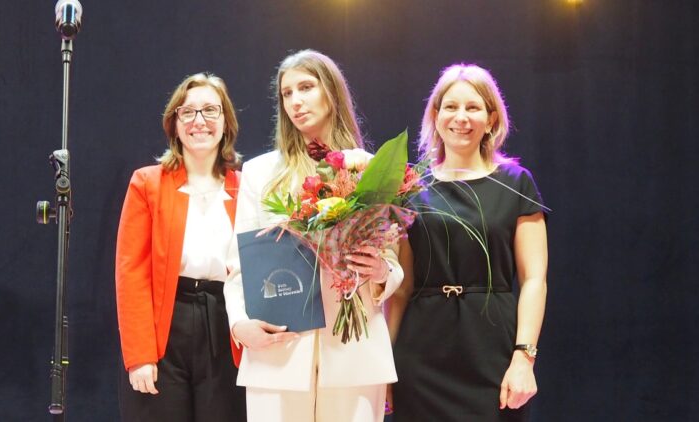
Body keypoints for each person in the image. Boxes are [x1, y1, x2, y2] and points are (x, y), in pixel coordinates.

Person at [223, 49, 403, 422]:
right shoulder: (260, 173)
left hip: (354, 352)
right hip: (279, 348)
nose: (295, 101)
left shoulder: (368, 168)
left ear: (331, 92)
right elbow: (240, 263)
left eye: (306, 87)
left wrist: (381, 273)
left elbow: (391, 261)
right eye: (286, 93)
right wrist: (239, 323)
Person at [387, 63, 549, 421]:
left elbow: (534, 280)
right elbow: (401, 289)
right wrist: (385, 366)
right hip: (421, 355)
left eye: (473, 107)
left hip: (492, 351)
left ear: (491, 119)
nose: (461, 117)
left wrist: (524, 357)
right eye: (451, 106)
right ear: (435, 116)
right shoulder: (411, 187)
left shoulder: (516, 182)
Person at [115, 73, 245, 421]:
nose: (199, 120)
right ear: (174, 124)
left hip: (226, 326)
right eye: (187, 112)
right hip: (165, 327)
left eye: (210, 110)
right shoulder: (147, 183)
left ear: (226, 122)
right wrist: (140, 355)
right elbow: (131, 273)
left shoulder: (246, 186)